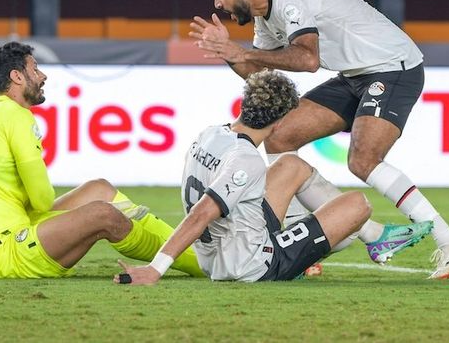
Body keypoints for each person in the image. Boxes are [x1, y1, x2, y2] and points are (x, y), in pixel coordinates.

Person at [187, 0, 449, 280]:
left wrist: (242, 52)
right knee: (280, 134)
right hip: (355, 76)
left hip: (393, 68)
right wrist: (229, 54)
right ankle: (323, 239)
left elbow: (308, 59)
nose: (217, 5)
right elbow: (261, 76)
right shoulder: (265, 19)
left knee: (363, 160)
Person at [115, 70, 431, 285]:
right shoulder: (247, 160)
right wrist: (155, 270)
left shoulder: (211, 134)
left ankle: (373, 238)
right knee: (357, 206)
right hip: (251, 266)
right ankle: (340, 243)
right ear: (280, 122)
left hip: (217, 251)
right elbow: (202, 214)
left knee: (291, 165)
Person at [0, 42, 204, 279]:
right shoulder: (17, 117)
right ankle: (199, 263)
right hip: (5, 253)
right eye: (35, 69)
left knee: (99, 189)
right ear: (16, 77)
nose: (43, 76)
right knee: (103, 214)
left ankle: (193, 250)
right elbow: (41, 199)